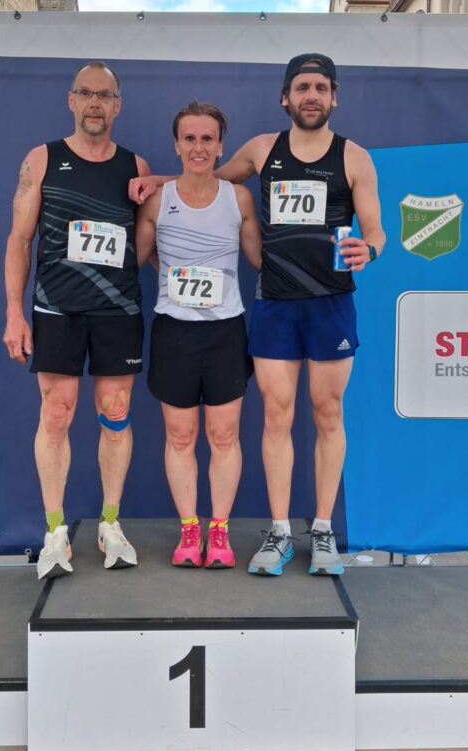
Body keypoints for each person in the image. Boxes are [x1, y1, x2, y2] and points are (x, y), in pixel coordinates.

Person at [130, 54, 385, 577]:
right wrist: (160, 181)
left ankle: (322, 529)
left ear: (333, 97)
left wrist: (372, 248)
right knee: (276, 416)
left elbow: (376, 229)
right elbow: (207, 179)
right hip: (275, 304)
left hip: (331, 303)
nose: (311, 95)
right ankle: (280, 531)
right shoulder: (263, 150)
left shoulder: (355, 157)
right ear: (285, 97)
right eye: (302, 87)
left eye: (320, 87)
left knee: (328, 414)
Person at [4, 62, 151, 580]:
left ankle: (110, 524)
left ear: (117, 106)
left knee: (116, 413)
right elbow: (20, 239)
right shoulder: (42, 159)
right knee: (56, 413)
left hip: (117, 311)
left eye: (104, 95)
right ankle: (55, 531)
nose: (94, 103)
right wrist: (14, 311)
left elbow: (148, 239)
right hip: (56, 309)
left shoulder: (136, 166)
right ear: (71, 100)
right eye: (86, 93)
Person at [136, 102, 261, 568]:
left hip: (226, 332)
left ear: (221, 146)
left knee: (224, 435)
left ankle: (219, 531)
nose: (198, 147)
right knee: (181, 435)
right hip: (174, 333)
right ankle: (190, 530)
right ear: (176, 145)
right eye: (189, 138)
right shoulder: (157, 201)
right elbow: (135, 259)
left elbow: (260, 260)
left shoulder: (238, 199)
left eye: (207, 138)